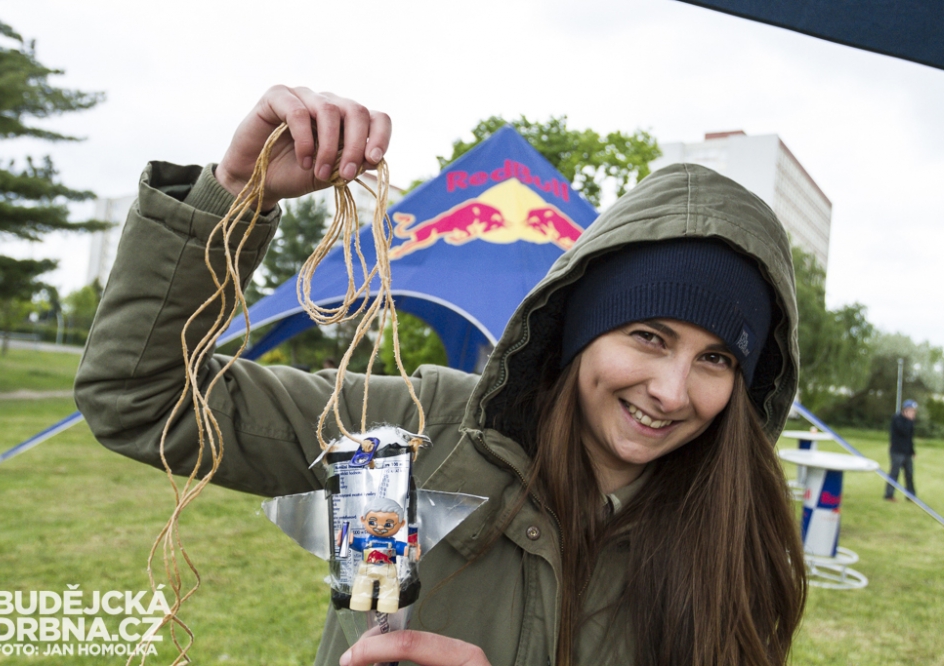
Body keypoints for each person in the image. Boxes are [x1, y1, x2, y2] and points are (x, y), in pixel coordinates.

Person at [74, 87, 806, 666]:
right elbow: (142, 399)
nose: (672, 392)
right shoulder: (409, 434)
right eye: (648, 337)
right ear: (580, 332)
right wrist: (237, 193)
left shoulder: (736, 544)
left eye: (716, 359)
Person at [885, 399, 918, 501]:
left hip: (907, 452)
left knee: (909, 474)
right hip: (897, 451)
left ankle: (911, 496)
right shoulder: (897, 419)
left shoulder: (910, 421)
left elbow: (909, 437)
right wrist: (909, 420)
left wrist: (912, 451)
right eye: (912, 410)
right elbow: (904, 431)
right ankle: (889, 495)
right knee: (894, 473)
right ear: (906, 410)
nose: (914, 413)